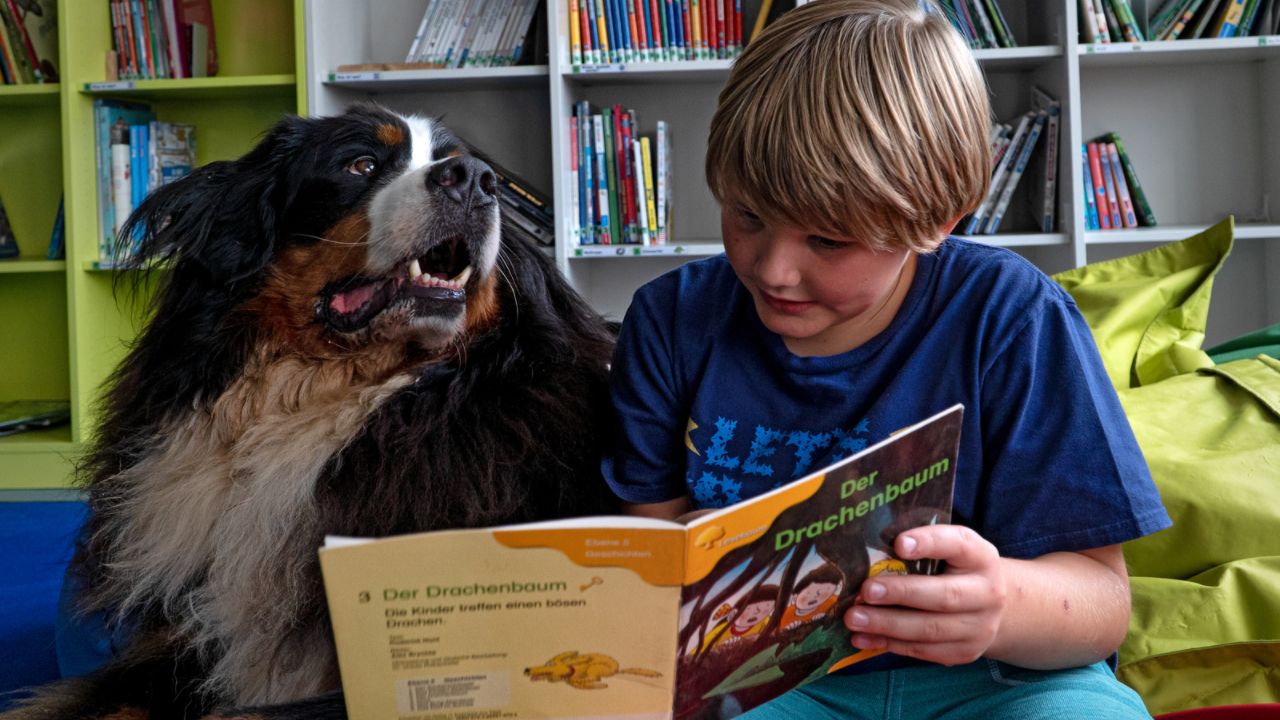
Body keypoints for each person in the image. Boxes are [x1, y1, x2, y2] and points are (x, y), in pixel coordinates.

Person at [601, 0, 1171, 717]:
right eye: (747, 215)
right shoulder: (669, 320)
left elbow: (1104, 603)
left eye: (828, 241)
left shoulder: (1014, 315)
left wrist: (999, 606)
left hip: (995, 677)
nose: (773, 269)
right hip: (765, 687)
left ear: (937, 221)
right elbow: (650, 558)